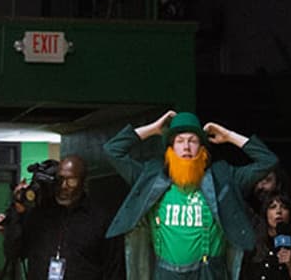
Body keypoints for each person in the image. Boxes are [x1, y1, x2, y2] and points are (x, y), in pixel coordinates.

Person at [103, 111, 278, 280]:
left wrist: (229, 136)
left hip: (209, 272)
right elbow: (112, 150)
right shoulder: (151, 177)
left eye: (193, 141)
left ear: (202, 148)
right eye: (179, 141)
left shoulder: (223, 178)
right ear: (170, 148)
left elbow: (268, 161)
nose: (186, 147)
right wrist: (153, 129)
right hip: (166, 273)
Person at [0, 157, 119, 280]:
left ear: (82, 182)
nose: (64, 186)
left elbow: (113, 269)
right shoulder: (39, 215)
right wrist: (17, 213)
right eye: (60, 179)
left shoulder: (99, 219)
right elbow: (13, 252)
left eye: (71, 181)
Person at [240, 194, 291, 280]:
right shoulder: (254, 244)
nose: (279, 211)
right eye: (273, 207)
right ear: (265, 213)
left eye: (284, 207)